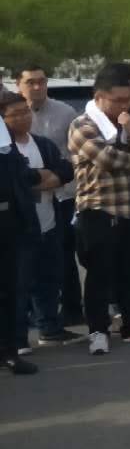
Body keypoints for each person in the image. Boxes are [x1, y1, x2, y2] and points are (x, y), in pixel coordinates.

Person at [69, 63, 130, 354]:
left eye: (129, 99)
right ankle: (97, 330)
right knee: (100, 274)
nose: (125, 106)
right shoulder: (82, 125)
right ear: (99, 96)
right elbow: (108, 160)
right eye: (118, 100)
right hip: (98, 209)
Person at [3, 91, 77, 360]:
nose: (24, 118)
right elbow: (16, 180)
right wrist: (40, 178)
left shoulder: (42, 144)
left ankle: (50, 328)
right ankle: (18, 339)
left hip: (49, 221)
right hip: (19, 227)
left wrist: (48, 178)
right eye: (15, 114)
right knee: (19, 284)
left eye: (26, 111)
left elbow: (65, 169)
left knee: (49, 277)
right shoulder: (5, 150)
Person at [16, 64, 83, 326]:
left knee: (63, 256)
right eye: (30, 82)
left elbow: (74, 155)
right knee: (26, 260)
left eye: (42, 81)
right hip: (23, 201)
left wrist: (54, 179)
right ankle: (33, 314)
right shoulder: (7, 115)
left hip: (62, 195)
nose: (37, 87)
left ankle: (71, 309)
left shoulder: (65, 112)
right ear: (18, 86)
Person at [0, 108, 41, 375]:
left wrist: (32, 175)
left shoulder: (3, 132)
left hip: (7, 217)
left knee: (7, 288)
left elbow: (15, 168)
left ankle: (8, 351)